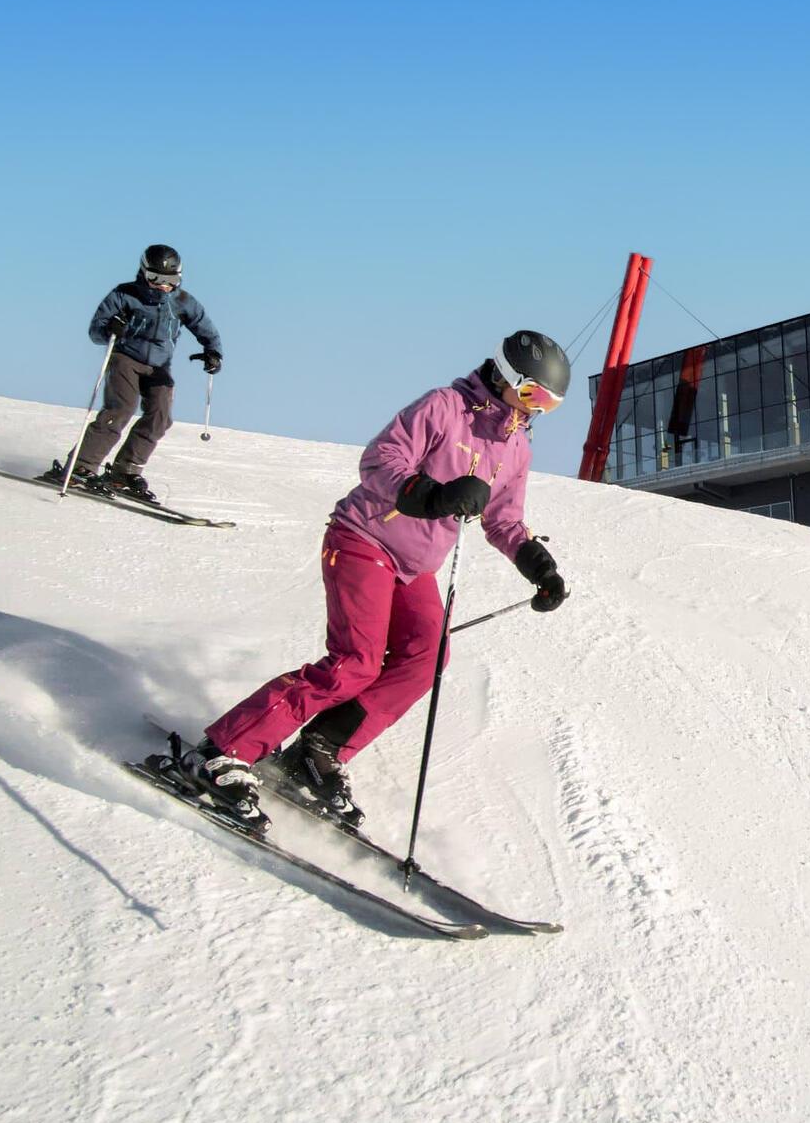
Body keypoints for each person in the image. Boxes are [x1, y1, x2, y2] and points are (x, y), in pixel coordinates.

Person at [176, 330, 572, 828]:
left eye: (549, 404)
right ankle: (223, 750)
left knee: (426, 658)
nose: (536, 410)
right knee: (356, 663)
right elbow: (381, 460)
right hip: (364, 539)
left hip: (415, 567)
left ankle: (319, 751)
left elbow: (504, 519)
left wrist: (538, 564)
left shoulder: (516, 447)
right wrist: (433, 495)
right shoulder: (445, 407)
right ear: (507, 376)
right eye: (533, 394)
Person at [42, 244, 222, 503]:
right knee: (121, 410)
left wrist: (213, 353)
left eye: (171, 280)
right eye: (156, 278)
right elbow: (96, 331)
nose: (163, 286)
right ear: (143, 272)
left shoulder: (183, 301)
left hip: (159, 366)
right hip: (126, 358)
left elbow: (206, 328)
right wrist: (111, 329)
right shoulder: (124, 294)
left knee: (160, 417)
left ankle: (125, 471)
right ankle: (81, 466)